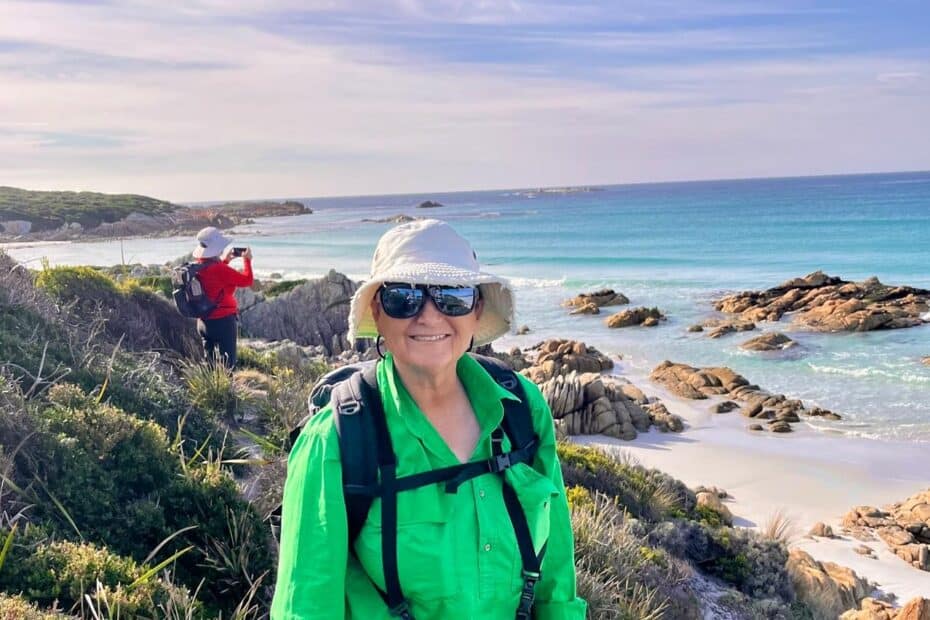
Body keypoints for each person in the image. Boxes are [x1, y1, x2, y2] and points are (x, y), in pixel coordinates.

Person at [272, 219, 585, 619]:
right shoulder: (335, 441)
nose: (430, 316)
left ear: (477, 311)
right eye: (403, 297)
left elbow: (555, 578)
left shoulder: (521, 409)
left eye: (452, 296)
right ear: (377, 314)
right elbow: (306, 607)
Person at [191, 226, 253, 368]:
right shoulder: (219, 269)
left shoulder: (198, 266)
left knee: (210, 364)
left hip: (203, 321)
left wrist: (225, 260)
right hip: (222, 322)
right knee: (228, 363)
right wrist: (247, 260)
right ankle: (226, 389)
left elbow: (214, 283)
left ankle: (211, 388)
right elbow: (247, 280)